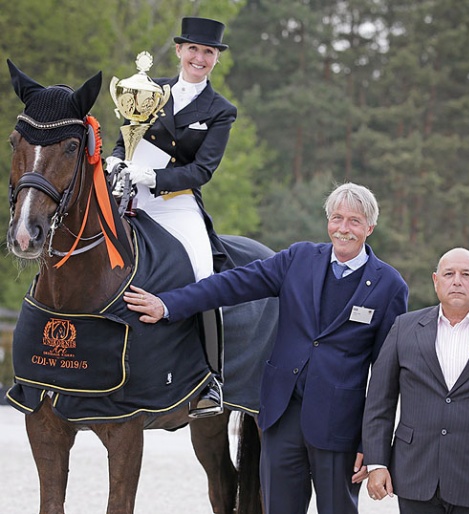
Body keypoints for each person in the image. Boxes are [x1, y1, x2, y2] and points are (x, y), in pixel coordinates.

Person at [123, 182, 409, 514]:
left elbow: (385, 379)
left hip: (339, 427)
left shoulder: (389, 286)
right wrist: (167, 304)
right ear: (328, 220)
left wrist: (370, 447)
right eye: (337, 218)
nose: (343, 229)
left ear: (369, 227)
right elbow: (231, 284)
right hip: (280, 415)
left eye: (354, 221)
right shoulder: (298, 259)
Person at [106, 16, 237, 417]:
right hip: (128, 194)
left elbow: (203, 170)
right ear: (179, 50)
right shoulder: (148, 89)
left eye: (208, 52)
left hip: (176, 202)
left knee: (203, 277)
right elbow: (124, 137)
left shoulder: (220, 110)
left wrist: (154, 177)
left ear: (215, 59)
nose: (199, 57)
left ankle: (211, 378)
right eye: (193, 49)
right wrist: (114, 160)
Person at [362, 247, 469, 513]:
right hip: (415, 473)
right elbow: (379, 402)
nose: (457, 281)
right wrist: (377, 463)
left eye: (466, 274)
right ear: (436, 281)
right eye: (449, 274)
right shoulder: (404, 328)